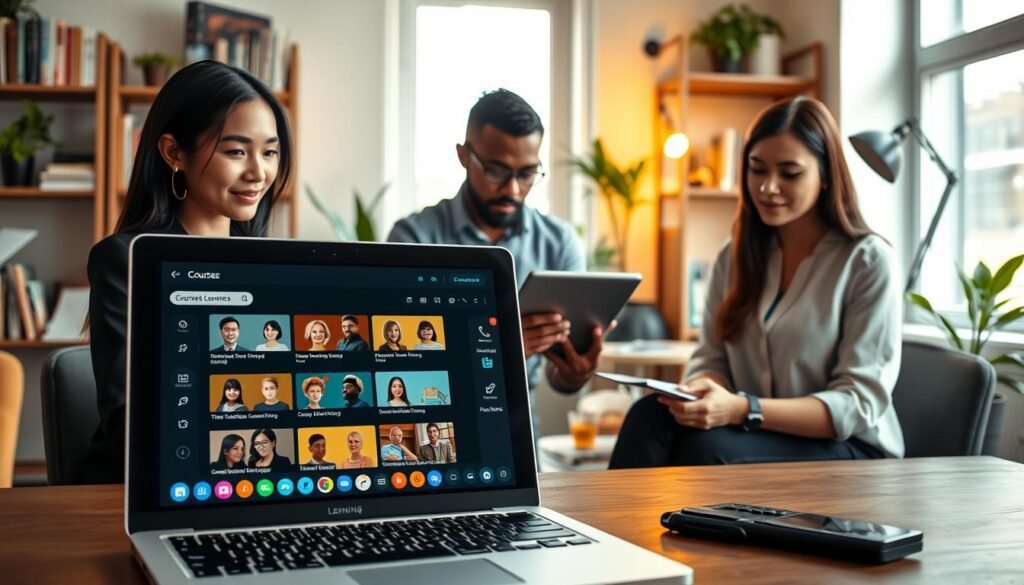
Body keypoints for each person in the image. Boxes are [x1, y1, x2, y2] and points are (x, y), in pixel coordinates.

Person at [609, 97, 903, 469]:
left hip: (850, 448)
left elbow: (857, 404)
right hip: (758, 429)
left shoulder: (867, 261)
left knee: (704, 451)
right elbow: (711, 357)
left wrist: (743, 408)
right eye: (757, 169)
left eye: (789, 173)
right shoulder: (735, 255)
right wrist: (704, 390)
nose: (767, 187)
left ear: (827, 176)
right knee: (649, 415)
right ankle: (606, 513)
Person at [86, 60, 293, 482]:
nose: (259, 173)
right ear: (173, 153)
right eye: (236, 151)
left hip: (250, 481)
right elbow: (129, 420)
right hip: (145, 490)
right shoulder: (126, 260)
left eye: (269, 152)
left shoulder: (273, 265)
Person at [387, 89, 608, 430]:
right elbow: (400, 362)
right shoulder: (413, 238)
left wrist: (573, 374)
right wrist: (498, 347)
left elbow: (560, 375)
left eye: (527, 174)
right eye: (496, 171)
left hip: (520, 429)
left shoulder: (559, 243)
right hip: (432, 422)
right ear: (463, 156)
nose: (513, 189)